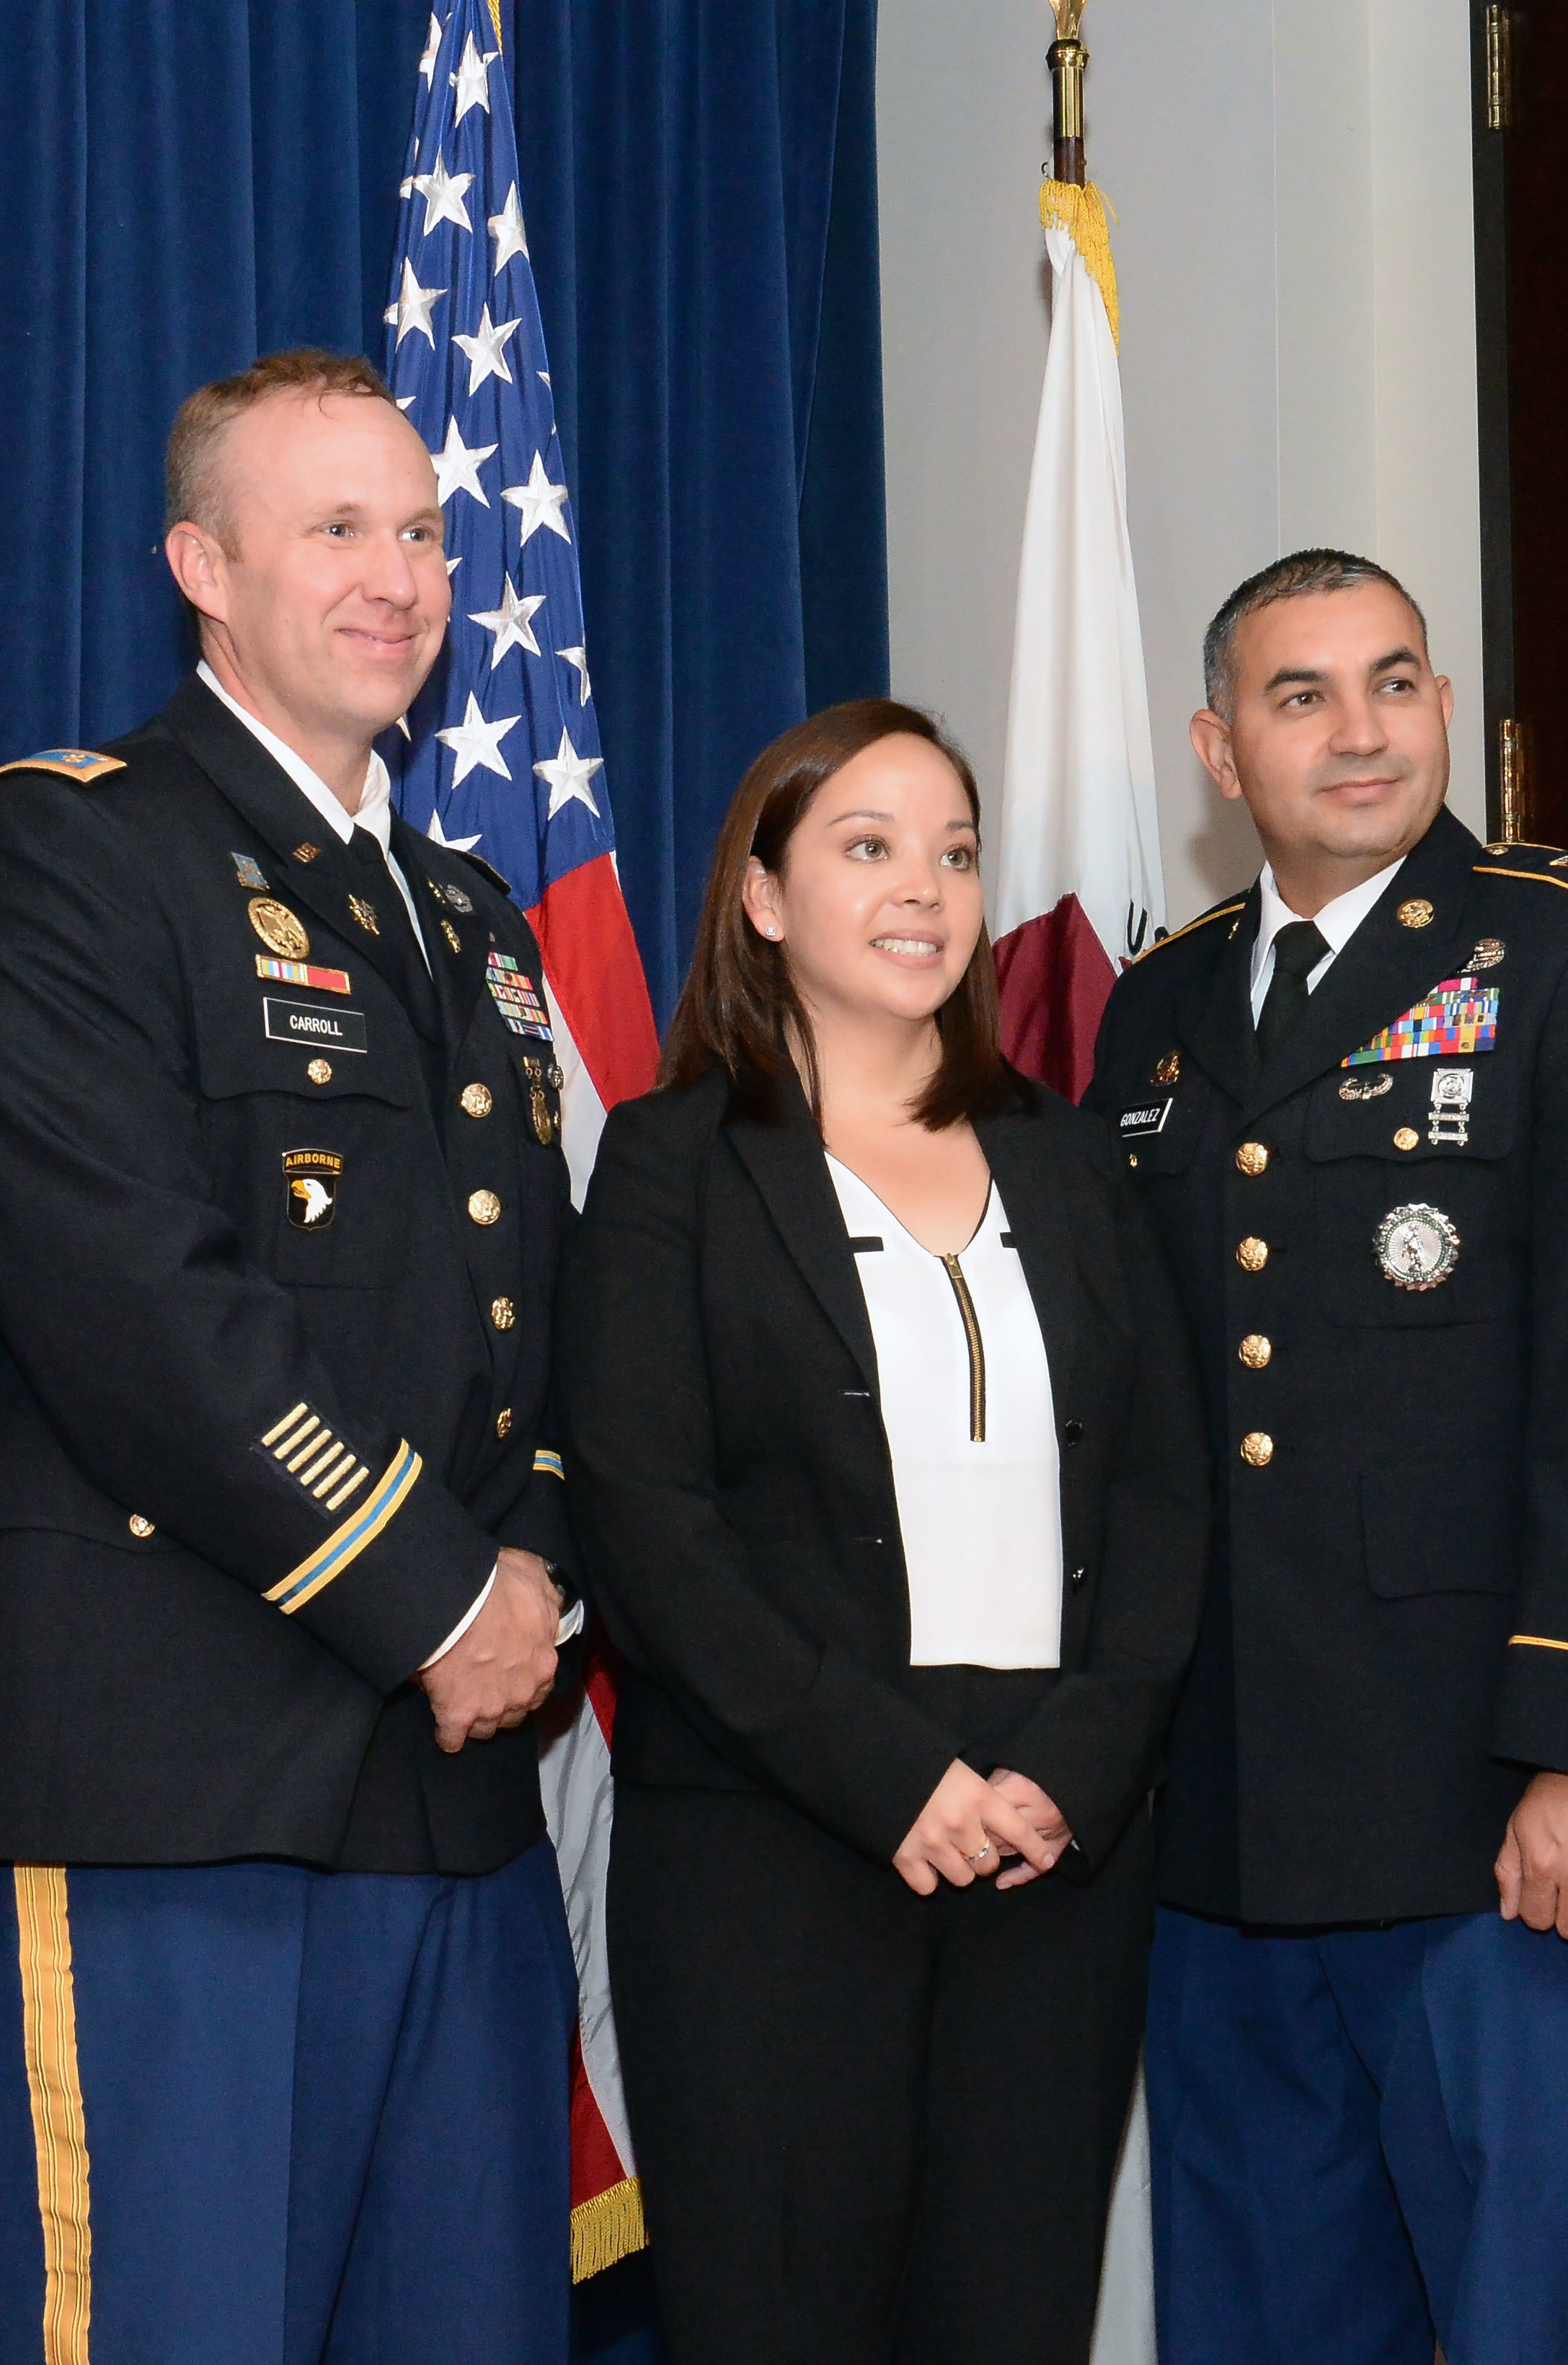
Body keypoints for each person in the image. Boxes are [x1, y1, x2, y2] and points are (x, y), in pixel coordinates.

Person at [0, 347, 578, 2364]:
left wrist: (540, 1567)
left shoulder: (466, 913)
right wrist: (437, 1592)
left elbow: (529, 1307)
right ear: (203, 564)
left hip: (451, 1784)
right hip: (169, 1769)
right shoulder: (74, 848)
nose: (401, 577)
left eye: (427, 532)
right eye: (338, 530)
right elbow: (127, 1300)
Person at [1084, 550, 1568, 2362]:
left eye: (1395, 680)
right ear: (1222, 749)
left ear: (1448, 706)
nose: (1361, 730)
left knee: (1527, 2316)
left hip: (1487, 1817)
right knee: (1263, 2322)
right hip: (1218, 1821)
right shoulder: (1157, 1008)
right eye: (1302, 696)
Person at [560, 700, 1209, 2363]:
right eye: (867, 845)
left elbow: (1157, 1492)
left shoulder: (1067, 1164)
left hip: (1051, 1847)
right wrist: (889, 1774)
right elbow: (650, 1522)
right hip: (779, 1846)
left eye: (955, 849)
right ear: (764, 895)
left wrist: (1077, 1759)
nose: (925, 886)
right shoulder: (672, 1164)